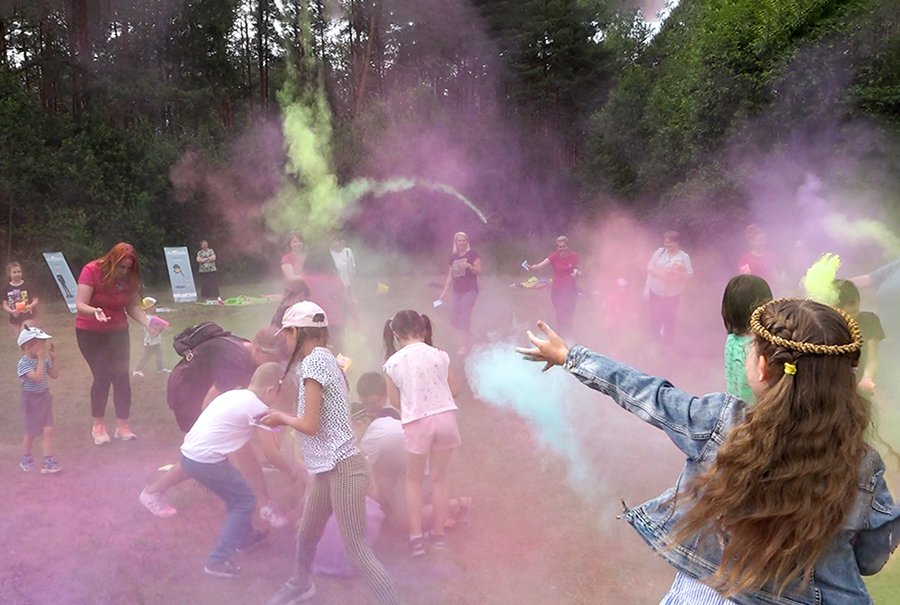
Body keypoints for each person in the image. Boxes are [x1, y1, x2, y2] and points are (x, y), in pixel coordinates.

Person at [518, 299, 900, 603]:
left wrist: (570, 356)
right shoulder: (863, 465)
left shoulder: (720, 421)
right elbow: (870, 557)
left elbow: (648, 394)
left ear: (763, 368)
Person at [260, 301, 401, 605]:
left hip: (344, 467)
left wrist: (280, 417)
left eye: (286, 334)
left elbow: (309, 424)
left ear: (297, 332)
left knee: (357, 549)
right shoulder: (326, 358)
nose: (285, 340)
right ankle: (300, 583)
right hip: (328, 466)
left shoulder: (313, 363)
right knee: (307, 533)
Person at [139, 326, 293, 528]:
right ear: (258, 350)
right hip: (188, 394)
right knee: (204, 457)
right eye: (274, 362)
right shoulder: (236, 361)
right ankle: (152, 492)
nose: (274, 368)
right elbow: (211, 398)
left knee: (223, 453)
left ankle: (263, 504)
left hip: (203, 396)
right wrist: (214, 432)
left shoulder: (249, 352)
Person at [179, 362, 285, 578]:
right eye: (278, 396)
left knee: (238, 492)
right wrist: (294, 473)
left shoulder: (235, 394)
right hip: (206, 461)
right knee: (244, 501)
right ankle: (217, 560)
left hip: (191, 454)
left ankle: (244, 538)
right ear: (271, 391)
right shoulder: (257, 407)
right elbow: (270, 454)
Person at [382, 309, 461, 556]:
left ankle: (416, 538)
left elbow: (395, 401)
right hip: (446, 419)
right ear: (423, 328)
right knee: (439, 479)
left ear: (395, 333)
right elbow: (455, 389)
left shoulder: (392, 363)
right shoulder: (439, 355)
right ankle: (439, 534)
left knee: (413, 481)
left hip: (418, 423)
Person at [354, 371, 470, 532]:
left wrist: (359, 436)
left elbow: (357, 465)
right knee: (380, 472)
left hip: (421, 473)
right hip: (418, 462)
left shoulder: (375, 432)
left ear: (384, 394)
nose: (368, 409)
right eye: (365, 404)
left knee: (403, 522)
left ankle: (455, 505)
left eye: (372, 404)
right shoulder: (396, 403)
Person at [75, 242, 156, 444]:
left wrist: (148, 323)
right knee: (102, 375)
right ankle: (98, 426)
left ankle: (123, 426)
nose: (124, 271)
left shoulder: (130, 278)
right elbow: (80, 304)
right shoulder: (92, 270)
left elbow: (132, 307)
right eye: (121, 267)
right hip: (89, 332)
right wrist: (95, 311)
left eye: (128, 268)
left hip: (118, 332)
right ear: (112, 261)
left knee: (121, 377)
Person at [721, 275, 773, 402]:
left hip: (734, 405)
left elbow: (731, 377)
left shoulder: (731, 339)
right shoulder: (760, 345)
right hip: (756, 410)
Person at [16, 326, 61, 474]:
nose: (44, 347)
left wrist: (53, 359)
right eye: (40, 344)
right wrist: (42, 359)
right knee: (31, 432)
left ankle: (48, 461)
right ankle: (26, 457)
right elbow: (37, 378)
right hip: (31, 400)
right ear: (28, 346)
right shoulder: (23, 363)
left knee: (48, 430)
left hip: (44, 397)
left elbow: (54, 375)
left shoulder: (43, 360)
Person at [835, 279, 884, 396]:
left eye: (854, 312)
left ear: (858, 301)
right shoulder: (828, 325)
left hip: (860, 385)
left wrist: (867, 378)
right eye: (845, 315)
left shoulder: (870, 320)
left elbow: (872, 358)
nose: (851, 319)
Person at [644, 230, 693, 348]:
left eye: (669, 242)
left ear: (676, 242)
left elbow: (690, 273)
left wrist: (679, 275)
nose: (667, 245)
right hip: (656, 291)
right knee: (655, 316)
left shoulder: (683, 257)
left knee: (670, 318)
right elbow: (650, 267)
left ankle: (668, 344)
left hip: (672, 294)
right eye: (665, 242)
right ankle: (654, 342)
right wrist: (663, 275)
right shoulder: (660, 253)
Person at [526, 235, 579, 336]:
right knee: (560, 312)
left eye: (564, 246)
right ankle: (560, 334)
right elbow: (540, 265)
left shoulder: (573, 255)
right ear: (556, 247)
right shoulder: (553, 257)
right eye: (559, 247)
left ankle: (569, 334)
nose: (562, 249)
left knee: (570, 312)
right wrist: (532, 267)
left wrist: (576, 272)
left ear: (567, 246)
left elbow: (576, 268)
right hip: (557, 290)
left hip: (571, 290)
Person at [438, 231, 482, 354]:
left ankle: (464, 347)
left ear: (467, 241)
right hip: (457, 291)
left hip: (470, 290)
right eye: (459, 240)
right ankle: (470, 331)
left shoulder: (473, 254)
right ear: (456, 242)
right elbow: (450, 276)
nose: (461, 242)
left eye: (463, 240)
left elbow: (479, 272)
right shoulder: (453, 257)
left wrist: (470, 267)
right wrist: (443, 292)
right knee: (453, 319)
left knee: (464, 315)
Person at [133, 297, 169, 377]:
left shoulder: (150, 317)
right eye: (153, 306)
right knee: (146, 357)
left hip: (155, 341)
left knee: (159, 354)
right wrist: (162, 328)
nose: (155, 308)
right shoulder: (148, 318)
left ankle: (160, 369)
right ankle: (137, 370)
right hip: (150, 342)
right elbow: (153, 331)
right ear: (149, 308)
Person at [4, 261, 39, 335]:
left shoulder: (28, 285)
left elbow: (35, 300)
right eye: (14, 272)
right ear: (9, 274)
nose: (17, 274)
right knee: (20, 340)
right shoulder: (6, 288)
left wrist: (30, 306)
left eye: (19, 271)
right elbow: (5, 304)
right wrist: (12, 311)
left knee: (25, 333)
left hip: (28, 315)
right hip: (14, 318)